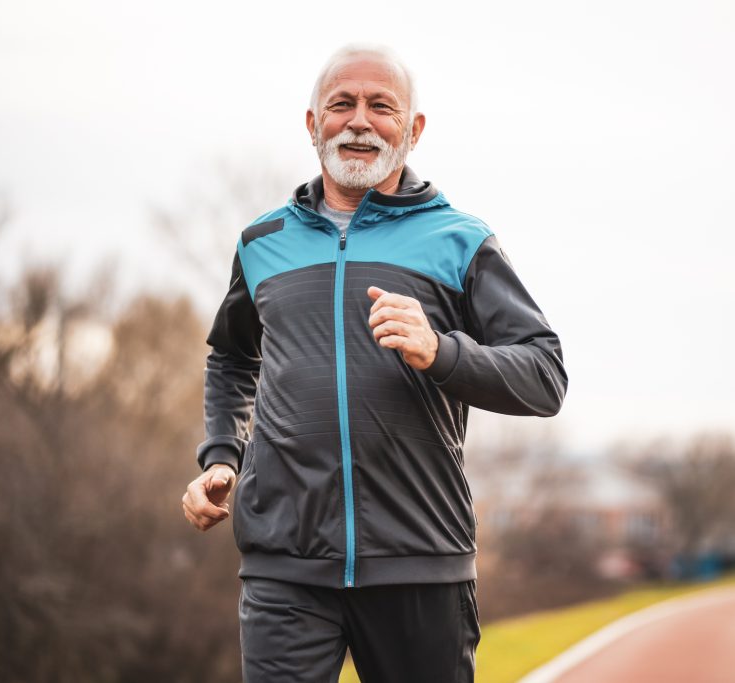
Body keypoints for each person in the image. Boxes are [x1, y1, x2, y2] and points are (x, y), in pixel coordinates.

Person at [181, 44, 568, 682]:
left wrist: (440, 352)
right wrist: (222, 455)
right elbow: (230, 356)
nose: (360, 121)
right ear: (313, 125)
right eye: (342, 104)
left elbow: (545, 375)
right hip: (285, 566)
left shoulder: (461, 241)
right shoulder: (261, 244)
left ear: (412, 131)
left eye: (381, 106)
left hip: (420, 563)